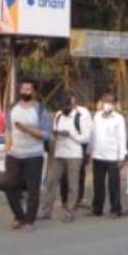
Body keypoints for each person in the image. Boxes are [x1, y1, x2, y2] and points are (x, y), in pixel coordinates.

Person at [3, 79, 49, 231]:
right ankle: (19, 216)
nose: (25, 91)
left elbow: (46, 135)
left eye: (29, 89)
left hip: (34, 156)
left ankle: (29, 220)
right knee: (9, 186)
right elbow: (8, 129)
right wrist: (7, 145)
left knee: (33, 189)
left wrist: (27, 129)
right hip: (14, 155)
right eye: (23, 88)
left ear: (34, 91)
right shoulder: (12, 108)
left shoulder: (41, 109)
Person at [40, 92, 90, 222]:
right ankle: (46, 211)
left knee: (73, 185)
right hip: (59, 153)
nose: (65, 109)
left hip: (74, 154)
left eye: (68, 106)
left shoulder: (80, 117)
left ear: (73, 104)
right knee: (51, 182)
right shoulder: (58, 115)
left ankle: (70, 212)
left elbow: (85, 138)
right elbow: (54, 131)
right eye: (63, 106)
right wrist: (56, 135)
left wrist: (71, 134)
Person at [89, 92, 128, 217]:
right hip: (98, 155)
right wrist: (89, 152)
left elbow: (122, 138)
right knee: (98, 184)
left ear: (114, 104)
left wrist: (121, 157)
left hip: (113, 157)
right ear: (101, 102)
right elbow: (92, 136)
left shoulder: (119, 118)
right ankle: (97, 209)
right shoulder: (96, 117)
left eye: (110, 102)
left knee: (113, 184)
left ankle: (116, 209)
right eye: (105, 101)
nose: (107, 104)